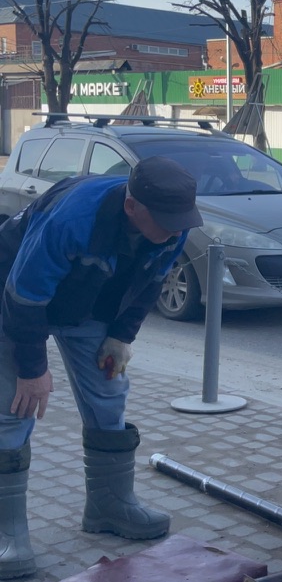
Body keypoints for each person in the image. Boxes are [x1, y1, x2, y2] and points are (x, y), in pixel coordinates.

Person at [0, 155, 204, 578]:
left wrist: (121, 336)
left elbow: (150, 284)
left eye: (181, 221)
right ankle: (8, 535)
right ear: (132, 206)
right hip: (13, 300)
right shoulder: (72, 219)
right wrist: (32, 370)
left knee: (109, 395)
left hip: (86, 305)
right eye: (166, 221)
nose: (176, 230)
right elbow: (24, 294)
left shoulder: (174, 223)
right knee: (13, 408)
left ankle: (109, 505)